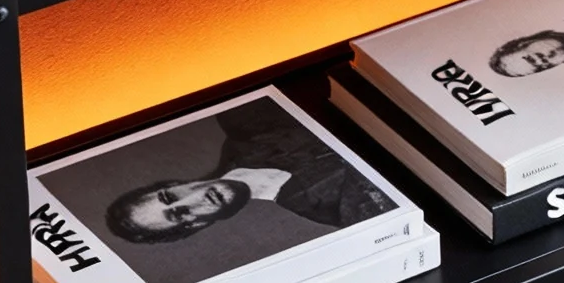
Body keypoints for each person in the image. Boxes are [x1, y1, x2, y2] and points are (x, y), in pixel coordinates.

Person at [105, 98, 388, 243]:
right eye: (179, 214)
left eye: (169, 197)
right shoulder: (342, 212)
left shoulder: (243, 120)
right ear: (195, 226)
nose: (190, 200)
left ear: (174, 183)